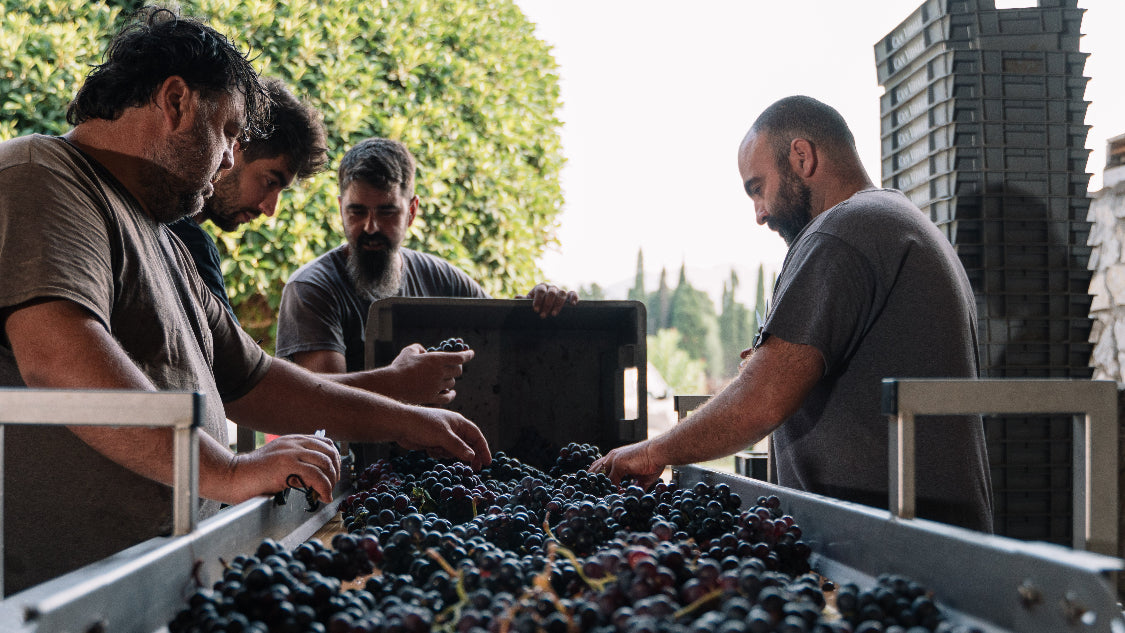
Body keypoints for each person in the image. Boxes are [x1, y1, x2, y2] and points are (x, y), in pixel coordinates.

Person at [0, 6, 489, 594]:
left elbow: (257, 382)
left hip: (159, 580)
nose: (232, 158)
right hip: (60, 596)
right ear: (175, 102)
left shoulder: (166, 239)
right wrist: (227, 471)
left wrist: (408, 421)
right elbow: (58, 357)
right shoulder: (41, 172)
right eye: (229, 131)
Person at [591, 96, 993, 533]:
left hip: (891, 546)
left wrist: (651, 452)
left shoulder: (842, 232)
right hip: (929, 536)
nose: (760, 213)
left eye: (757, 188)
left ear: (802, 157)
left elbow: (761, 400)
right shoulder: (895, 220)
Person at [275, 137, 577, 378]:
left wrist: (539, 307)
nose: (371, 226)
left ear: (412, 211)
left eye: (387, 212)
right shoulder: (311, 289)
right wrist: (400, 382)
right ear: (341, 208)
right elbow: (323, 402)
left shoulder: (445, 280)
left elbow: (503, 349)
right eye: (357, 212)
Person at [169, 76, 328, 325]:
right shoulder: (189, 245)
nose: (270, 209)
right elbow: (231, 351)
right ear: (234, 148)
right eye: (270, 182)